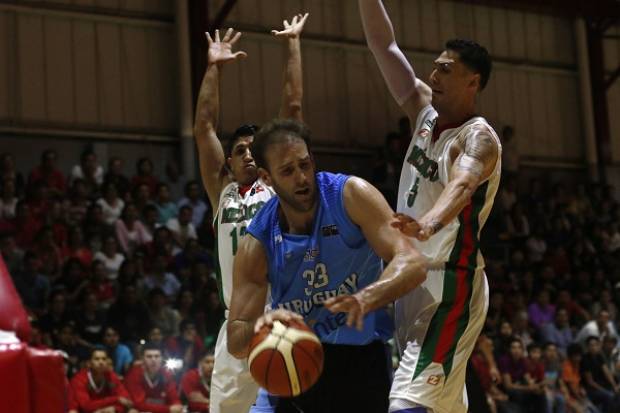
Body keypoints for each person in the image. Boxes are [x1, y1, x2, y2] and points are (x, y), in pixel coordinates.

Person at [354, 1, 501, 412]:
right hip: (409, 280)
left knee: (406, 403)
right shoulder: (423, 109)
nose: (433, 76)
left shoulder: (478, 139)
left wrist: (428, 224)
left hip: (449, 284)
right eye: (434, 67)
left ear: (473, 82)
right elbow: (384, 46)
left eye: (446, 70)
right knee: (441, 405)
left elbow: (463, 184)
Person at [227, 117, 426, 413]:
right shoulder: (257, 240)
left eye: (305, 165)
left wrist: (365, 298)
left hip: (358, 362)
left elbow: (413, 262)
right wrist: (263, 324)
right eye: (288, 171)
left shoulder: (350, 196)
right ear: (267, 178)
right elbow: (236, 339)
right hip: (294, 357)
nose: (302, 177)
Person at [193, 14, 308, 413]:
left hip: (280, 316)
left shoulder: (277, 189)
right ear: (229, 159)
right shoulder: (221, 192)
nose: (245, 154)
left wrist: (292, 44)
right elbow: (204, 126)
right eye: (238, 150)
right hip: (235, 324)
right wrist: (213, 68)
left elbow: (292, 109)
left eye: (251, 149)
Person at [70, 348, 135, 413]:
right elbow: (86, 406)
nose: (101, 362)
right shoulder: (79, 379)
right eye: (97, 359)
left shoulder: (111, 376)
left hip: (108, 410)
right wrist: (116, 399)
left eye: (104, 359)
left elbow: (127, 400)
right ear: (89, 363)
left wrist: (115, 408)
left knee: (133, 411)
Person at [124, 342, 183, 413]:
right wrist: (168, 409)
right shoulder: (134, 374)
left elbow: (174, 399)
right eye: (149, 356)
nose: (153, 360)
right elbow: (138, 404)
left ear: (162, 358)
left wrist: (177, 405)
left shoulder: (167, 374)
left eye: (157, 356)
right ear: (142, 359)